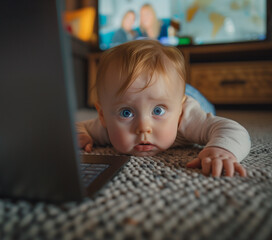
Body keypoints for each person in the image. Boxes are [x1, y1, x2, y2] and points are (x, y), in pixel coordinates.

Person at [76, 40, 250, 177]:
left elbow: (233, 130)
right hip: (168, 94)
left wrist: (221, 150)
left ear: (179, 111)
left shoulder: (188, 117)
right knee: (160, 91)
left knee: (198, 102)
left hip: (194, 97)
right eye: (126, 112)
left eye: (158, 111)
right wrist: (81, 134)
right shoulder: (107, 127)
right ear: (102, 115)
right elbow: (78, 127)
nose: (144, 127)